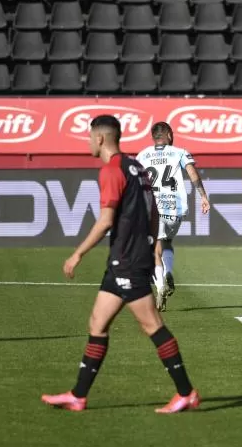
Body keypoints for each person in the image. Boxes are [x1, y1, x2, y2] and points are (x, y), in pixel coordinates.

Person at [42, 115, 199, 413]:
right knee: (97, 324)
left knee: (152, 325)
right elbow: (154, 211)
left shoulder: (112, 170)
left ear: (100, 138)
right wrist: (153, 246)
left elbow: (105, 221)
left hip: (128, 260)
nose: (88, 142)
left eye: (90, 137)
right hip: (124, 260)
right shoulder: (136, 167)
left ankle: (186, 392)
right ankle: (78, 395)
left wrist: (77, 254)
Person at [136, 122, 210, 310]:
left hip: (153, 208)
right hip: (175, 209)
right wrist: (203, 196)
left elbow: (135, 182)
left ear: (153, 136)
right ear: (169, 134)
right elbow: (192, 173)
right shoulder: (180, 152)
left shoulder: (142, 155)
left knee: (155, 251)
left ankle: (161, 286)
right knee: (167, 241)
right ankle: (168, 270)